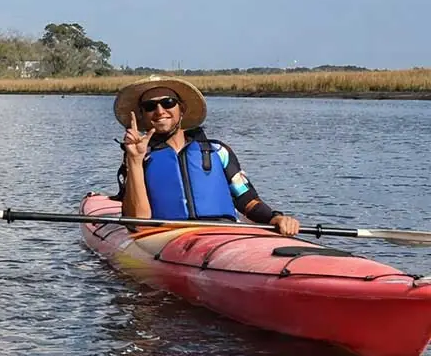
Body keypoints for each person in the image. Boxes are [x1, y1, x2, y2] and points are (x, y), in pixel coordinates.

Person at [113, 76, 300, 236]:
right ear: (142, 115)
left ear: (182, 109)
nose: (160, 111)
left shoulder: (218, 152)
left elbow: (247, 200)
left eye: (168, 103)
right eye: (150, 106)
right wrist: (135, 162)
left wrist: (275, 217)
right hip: (165, 236)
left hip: (221, 233)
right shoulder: (139, 157)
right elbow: (137, 222)